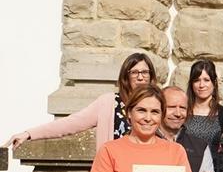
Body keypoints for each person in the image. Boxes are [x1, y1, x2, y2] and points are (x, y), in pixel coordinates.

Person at [5, 52, 158, 152]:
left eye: (145, 72)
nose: (140, 77)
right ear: (126, 76)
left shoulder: (159, 103)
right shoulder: (109, 103)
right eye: (134, 72)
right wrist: (29, 133)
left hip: (149, 169)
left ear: (151, 75)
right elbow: (72, 122)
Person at [183, 59, 223, 150]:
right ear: (191, 84)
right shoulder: (182, 111)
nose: (201, 85)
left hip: (214, 163)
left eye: (206, 80)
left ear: (214, 83)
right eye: (196, 80)